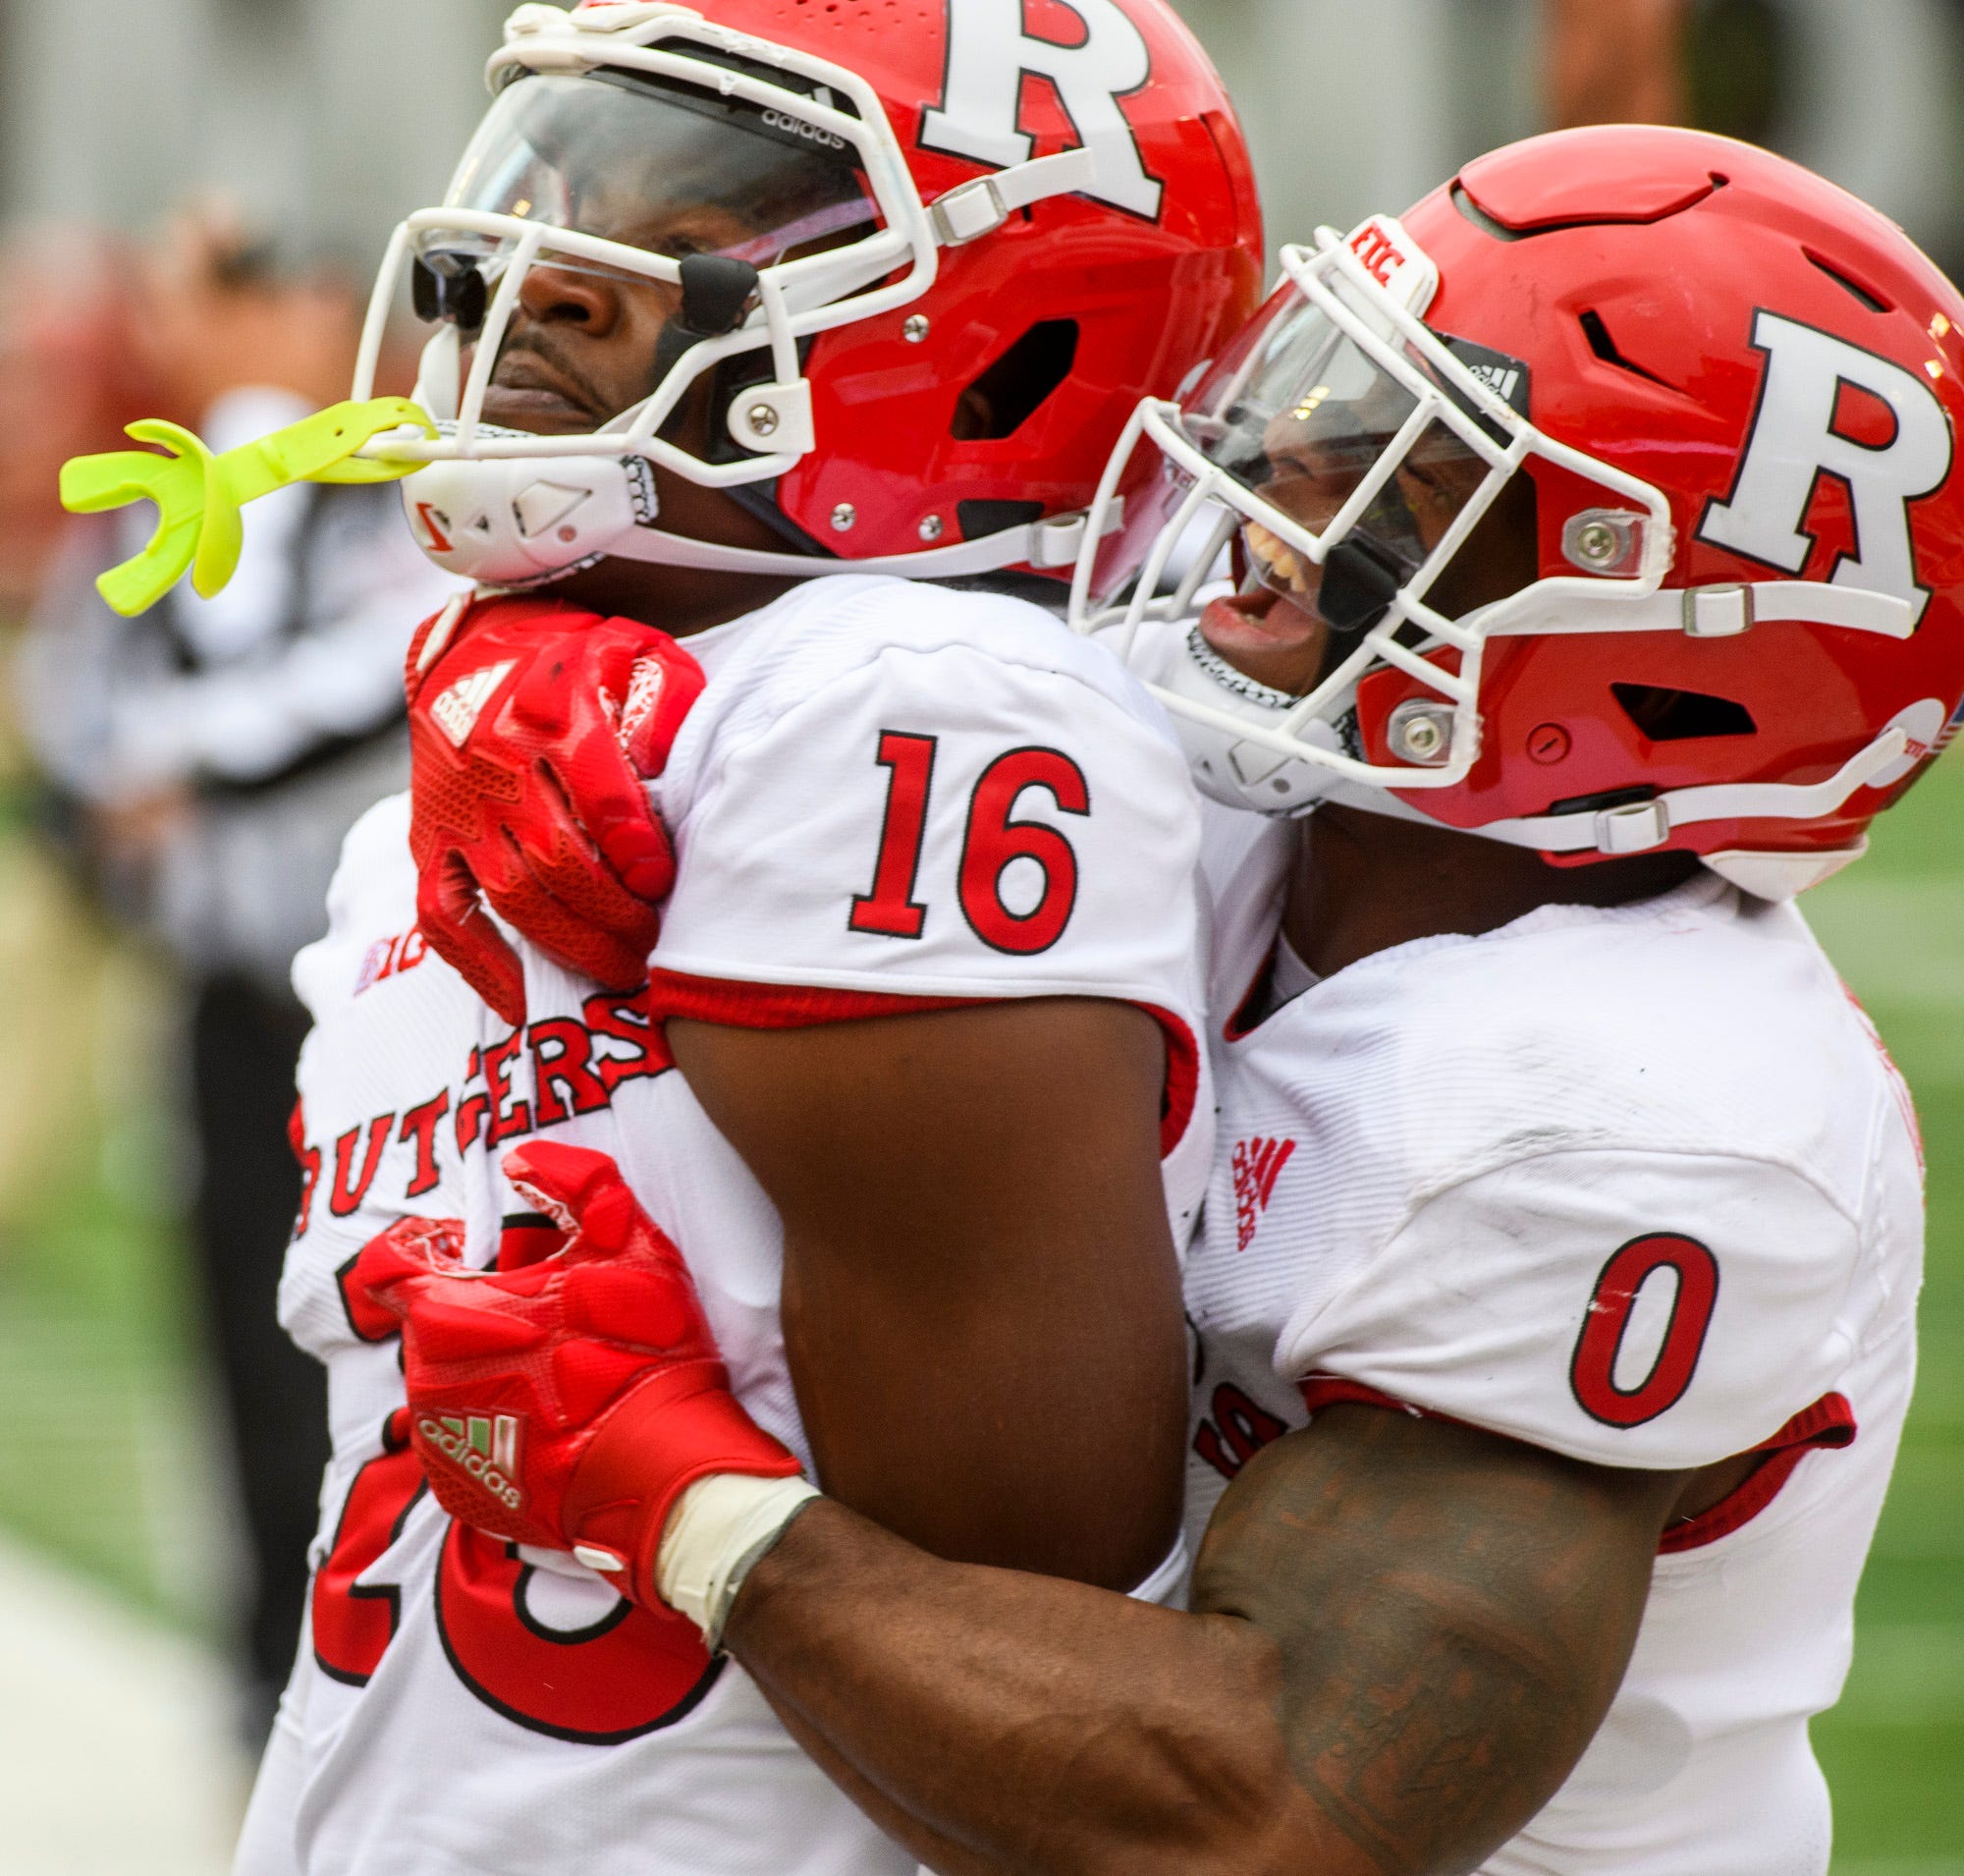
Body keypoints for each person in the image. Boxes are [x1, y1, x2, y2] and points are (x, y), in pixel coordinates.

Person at [360, 125, 1962, 1874]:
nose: (1284, 454)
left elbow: (1255, 1818)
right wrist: (523, 653)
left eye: (1414, 461)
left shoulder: (1645, 1119)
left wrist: (680, 1499)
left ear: (1665, 643)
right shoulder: (1258, 791)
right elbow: (846, 616)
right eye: (1336, 378)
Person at [225, 2, 1262, 1871]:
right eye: (554, 195)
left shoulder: (911, 703)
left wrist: (679, 1502)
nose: (541, 279)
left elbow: (1025, 1615)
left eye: (692, 232)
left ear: (999, 331)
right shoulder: (502, 755)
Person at [17, 210, 459, 1744]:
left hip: (391, 1000)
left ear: (316, 302)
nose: (195, 334)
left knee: (399, 1331)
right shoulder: (150, 495)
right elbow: (70, 698)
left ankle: (399, 1657)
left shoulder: (397, 484)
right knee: (233, 1324)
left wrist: (173, 761)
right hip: (216, 986)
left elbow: (375, 675)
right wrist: (108, 787)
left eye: (217, 297)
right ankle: (270, 1658)